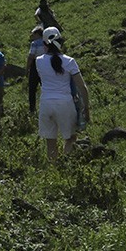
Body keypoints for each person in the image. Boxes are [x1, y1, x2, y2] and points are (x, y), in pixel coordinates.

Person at [35, 27, 90, 158]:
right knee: (70, 138)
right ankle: (66, 162)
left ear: (44, 44)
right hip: (64, 103)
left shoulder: (39, 61)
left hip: (46, 104)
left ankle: (54, 169)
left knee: (50, 143)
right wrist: (86, 108)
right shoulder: (69, 61)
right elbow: (82, 86)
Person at [25, 24, 45, 115]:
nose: (32, 36)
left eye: (33, 34)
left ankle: (32, 109)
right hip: (46, 65)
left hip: (35, 65)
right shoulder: (46, 42)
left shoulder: (35, 43)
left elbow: (31, 56)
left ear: (38, 34)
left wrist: (27, 68)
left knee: (32, 89)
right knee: (45, 87)